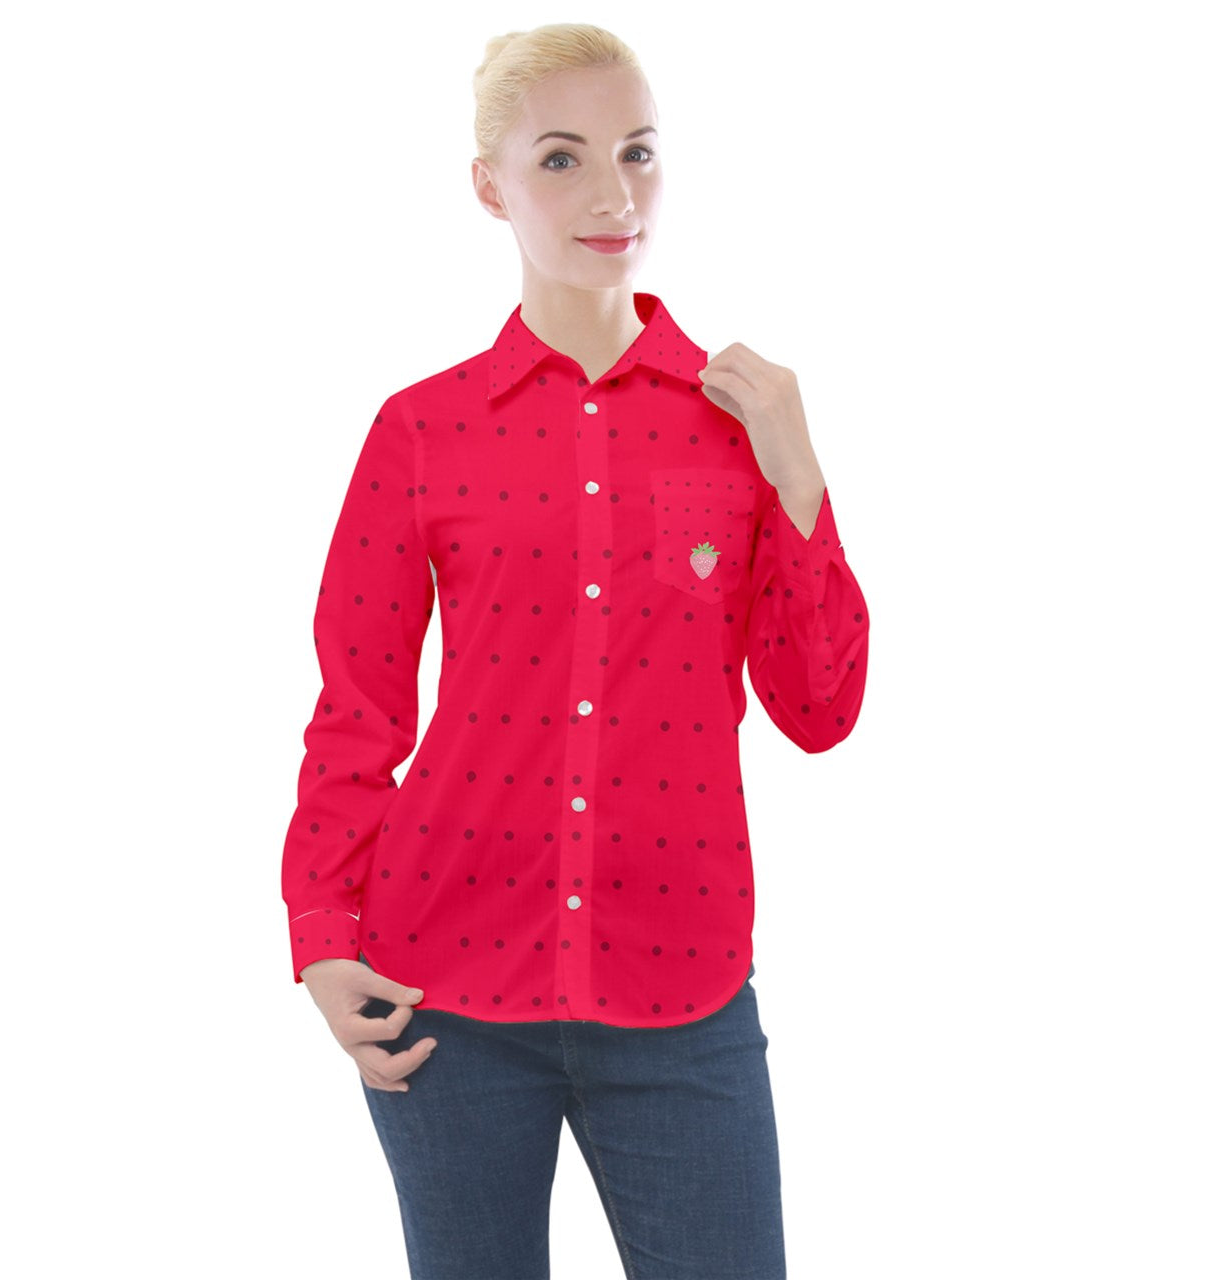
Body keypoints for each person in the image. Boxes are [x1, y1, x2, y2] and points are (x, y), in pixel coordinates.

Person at [281, 22, 869, 1280]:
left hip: (682, 986)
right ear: (487, 184)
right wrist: (322, 932)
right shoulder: (420, 429)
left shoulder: (739, 423)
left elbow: (816, 710)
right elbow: (358, 708)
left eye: (636, 152)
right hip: (442, 996)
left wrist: (800, 480)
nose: (613, 193)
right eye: (560, 159)